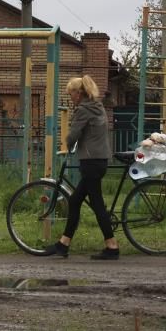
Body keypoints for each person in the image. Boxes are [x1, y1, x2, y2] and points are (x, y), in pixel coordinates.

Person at [44, 74, 121, 260]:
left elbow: (74, 135)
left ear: (79, 93)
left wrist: (66, 144)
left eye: (71, 94)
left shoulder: (84, 110)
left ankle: (112, 247)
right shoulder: (98, 106)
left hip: (91, 161)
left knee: (96, 204)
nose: (71, 97)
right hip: (99, 159)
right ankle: (64, 243)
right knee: (75, 200)